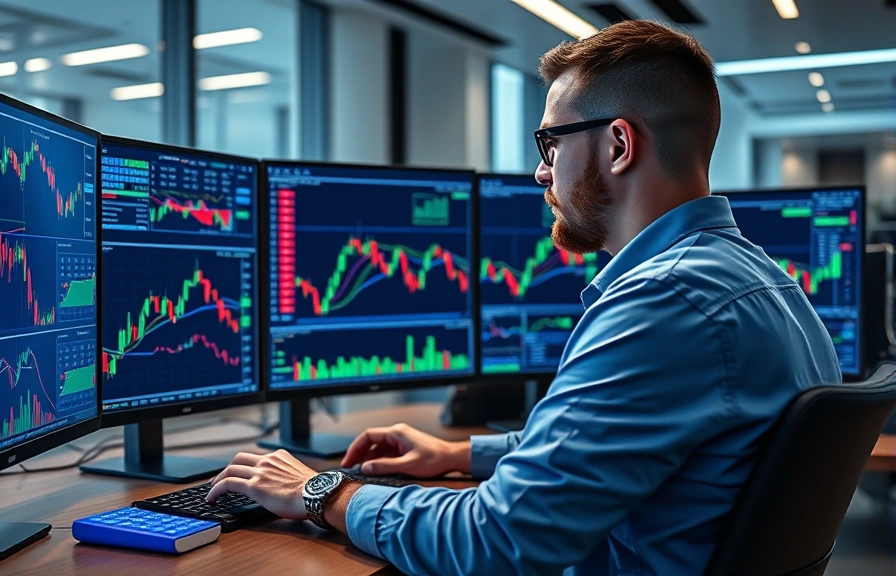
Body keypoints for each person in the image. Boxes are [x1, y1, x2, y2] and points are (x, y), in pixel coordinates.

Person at [206, 19, 841, 575]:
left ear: (618, 145)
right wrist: (458, 453)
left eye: (551, 143)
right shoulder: (763, 281)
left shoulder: (662, 302)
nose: (541, 170)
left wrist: (324, 492)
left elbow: (496, 542)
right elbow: (606, 442)